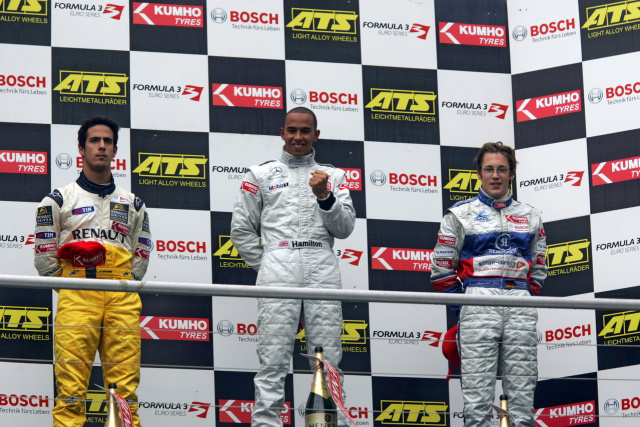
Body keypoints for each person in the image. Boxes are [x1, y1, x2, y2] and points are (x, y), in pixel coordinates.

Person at [231, 107, 356, 427]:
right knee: (272, 361)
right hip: (278, 264)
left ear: (316, 135)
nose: (298, 137)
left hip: (321, 265)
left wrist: (325, 197)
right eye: (292, 130)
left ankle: (330, 423)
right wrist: (269, 264)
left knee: (328, 361)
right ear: (282, 133)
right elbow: (241, 231)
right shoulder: (259, 174)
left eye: (305, 131)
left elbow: (344, 229)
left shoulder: (334, 176)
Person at [34, 116, 152, 427]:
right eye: (94, 140)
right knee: (71, 391)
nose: (101, 146)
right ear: (81, 148)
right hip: (78, 295)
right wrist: (70, 286)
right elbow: (44, 257)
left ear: (115, 150)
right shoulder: (58, 199)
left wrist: (124, 284)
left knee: (124, 392)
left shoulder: (134, 203)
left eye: (107, 141)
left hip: (122, 297)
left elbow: (141, 255)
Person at [430, 142, 547, 427]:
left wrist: (523, 296)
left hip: (519, 303)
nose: (495, 175)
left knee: (522, 402)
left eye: (502, 169)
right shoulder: (459, 214)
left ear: (512, 174)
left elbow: (539, 269)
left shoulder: (531, 215)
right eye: (489, 169)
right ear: (479, 174)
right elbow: (441, 271)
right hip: (477, 303)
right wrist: (466, 306)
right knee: (477, 402)